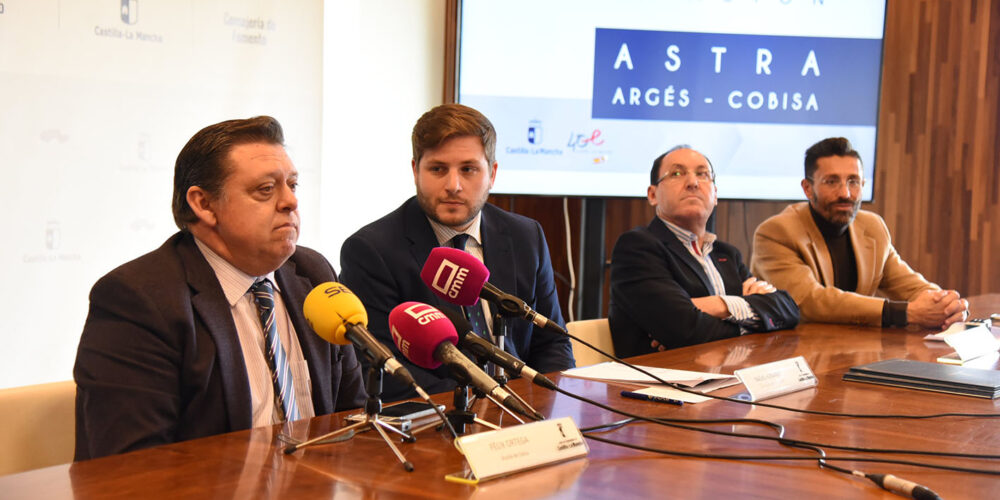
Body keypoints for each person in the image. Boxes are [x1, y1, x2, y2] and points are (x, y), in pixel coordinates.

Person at [74, 116, 366, 460]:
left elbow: (353, 419)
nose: (290, 202)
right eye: (266, 189)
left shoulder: (312, 274)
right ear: (204, 204)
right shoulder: (139, 299)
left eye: (292, 185)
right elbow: (134, 465)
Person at [339, 103, 574, 401]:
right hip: (437, 418)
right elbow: (385, 369)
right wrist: (487, 405)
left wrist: (539, 404)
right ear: (415, 170)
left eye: (468, 169)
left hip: (526, 412)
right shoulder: (372, 251)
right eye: (438, 169)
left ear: (492, 173)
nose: (453, 185)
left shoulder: (526, 236)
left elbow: (554, 345)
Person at [751, 137, 968, 329]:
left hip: (857, 350)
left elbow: (909, 284)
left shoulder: (873, 227)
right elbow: (809, 302)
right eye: (831, 181)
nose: (845, 193)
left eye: (853, 181)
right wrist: (907, 313)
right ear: (808, 188)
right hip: (794, 354)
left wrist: (946, 305)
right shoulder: (776, 232)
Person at [609, 146, 800, 358]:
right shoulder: (637, 247)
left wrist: (718, 306)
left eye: (702, 174)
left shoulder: (727, 255)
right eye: (677, 174)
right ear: (653, 195)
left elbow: (789, 310)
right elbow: (683, 328)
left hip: (727, 379)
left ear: (715, 195)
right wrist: (752, 321)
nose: (693, 183)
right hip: (659, 383)